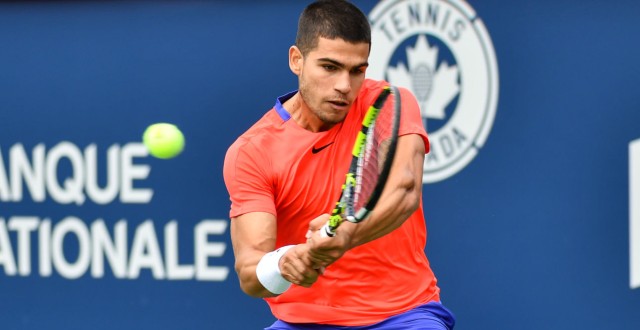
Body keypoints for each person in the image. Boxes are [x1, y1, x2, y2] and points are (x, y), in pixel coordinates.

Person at [223, 1, 455, 329]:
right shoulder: (252, 152)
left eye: (357, 70)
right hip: (302, 322)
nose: (345, 86)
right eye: (330, 67)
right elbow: (250, 273)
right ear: (296, 60)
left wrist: (345, 235)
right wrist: (284, 264)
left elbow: (405, 191)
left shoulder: (388, 103)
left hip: (403, 315)